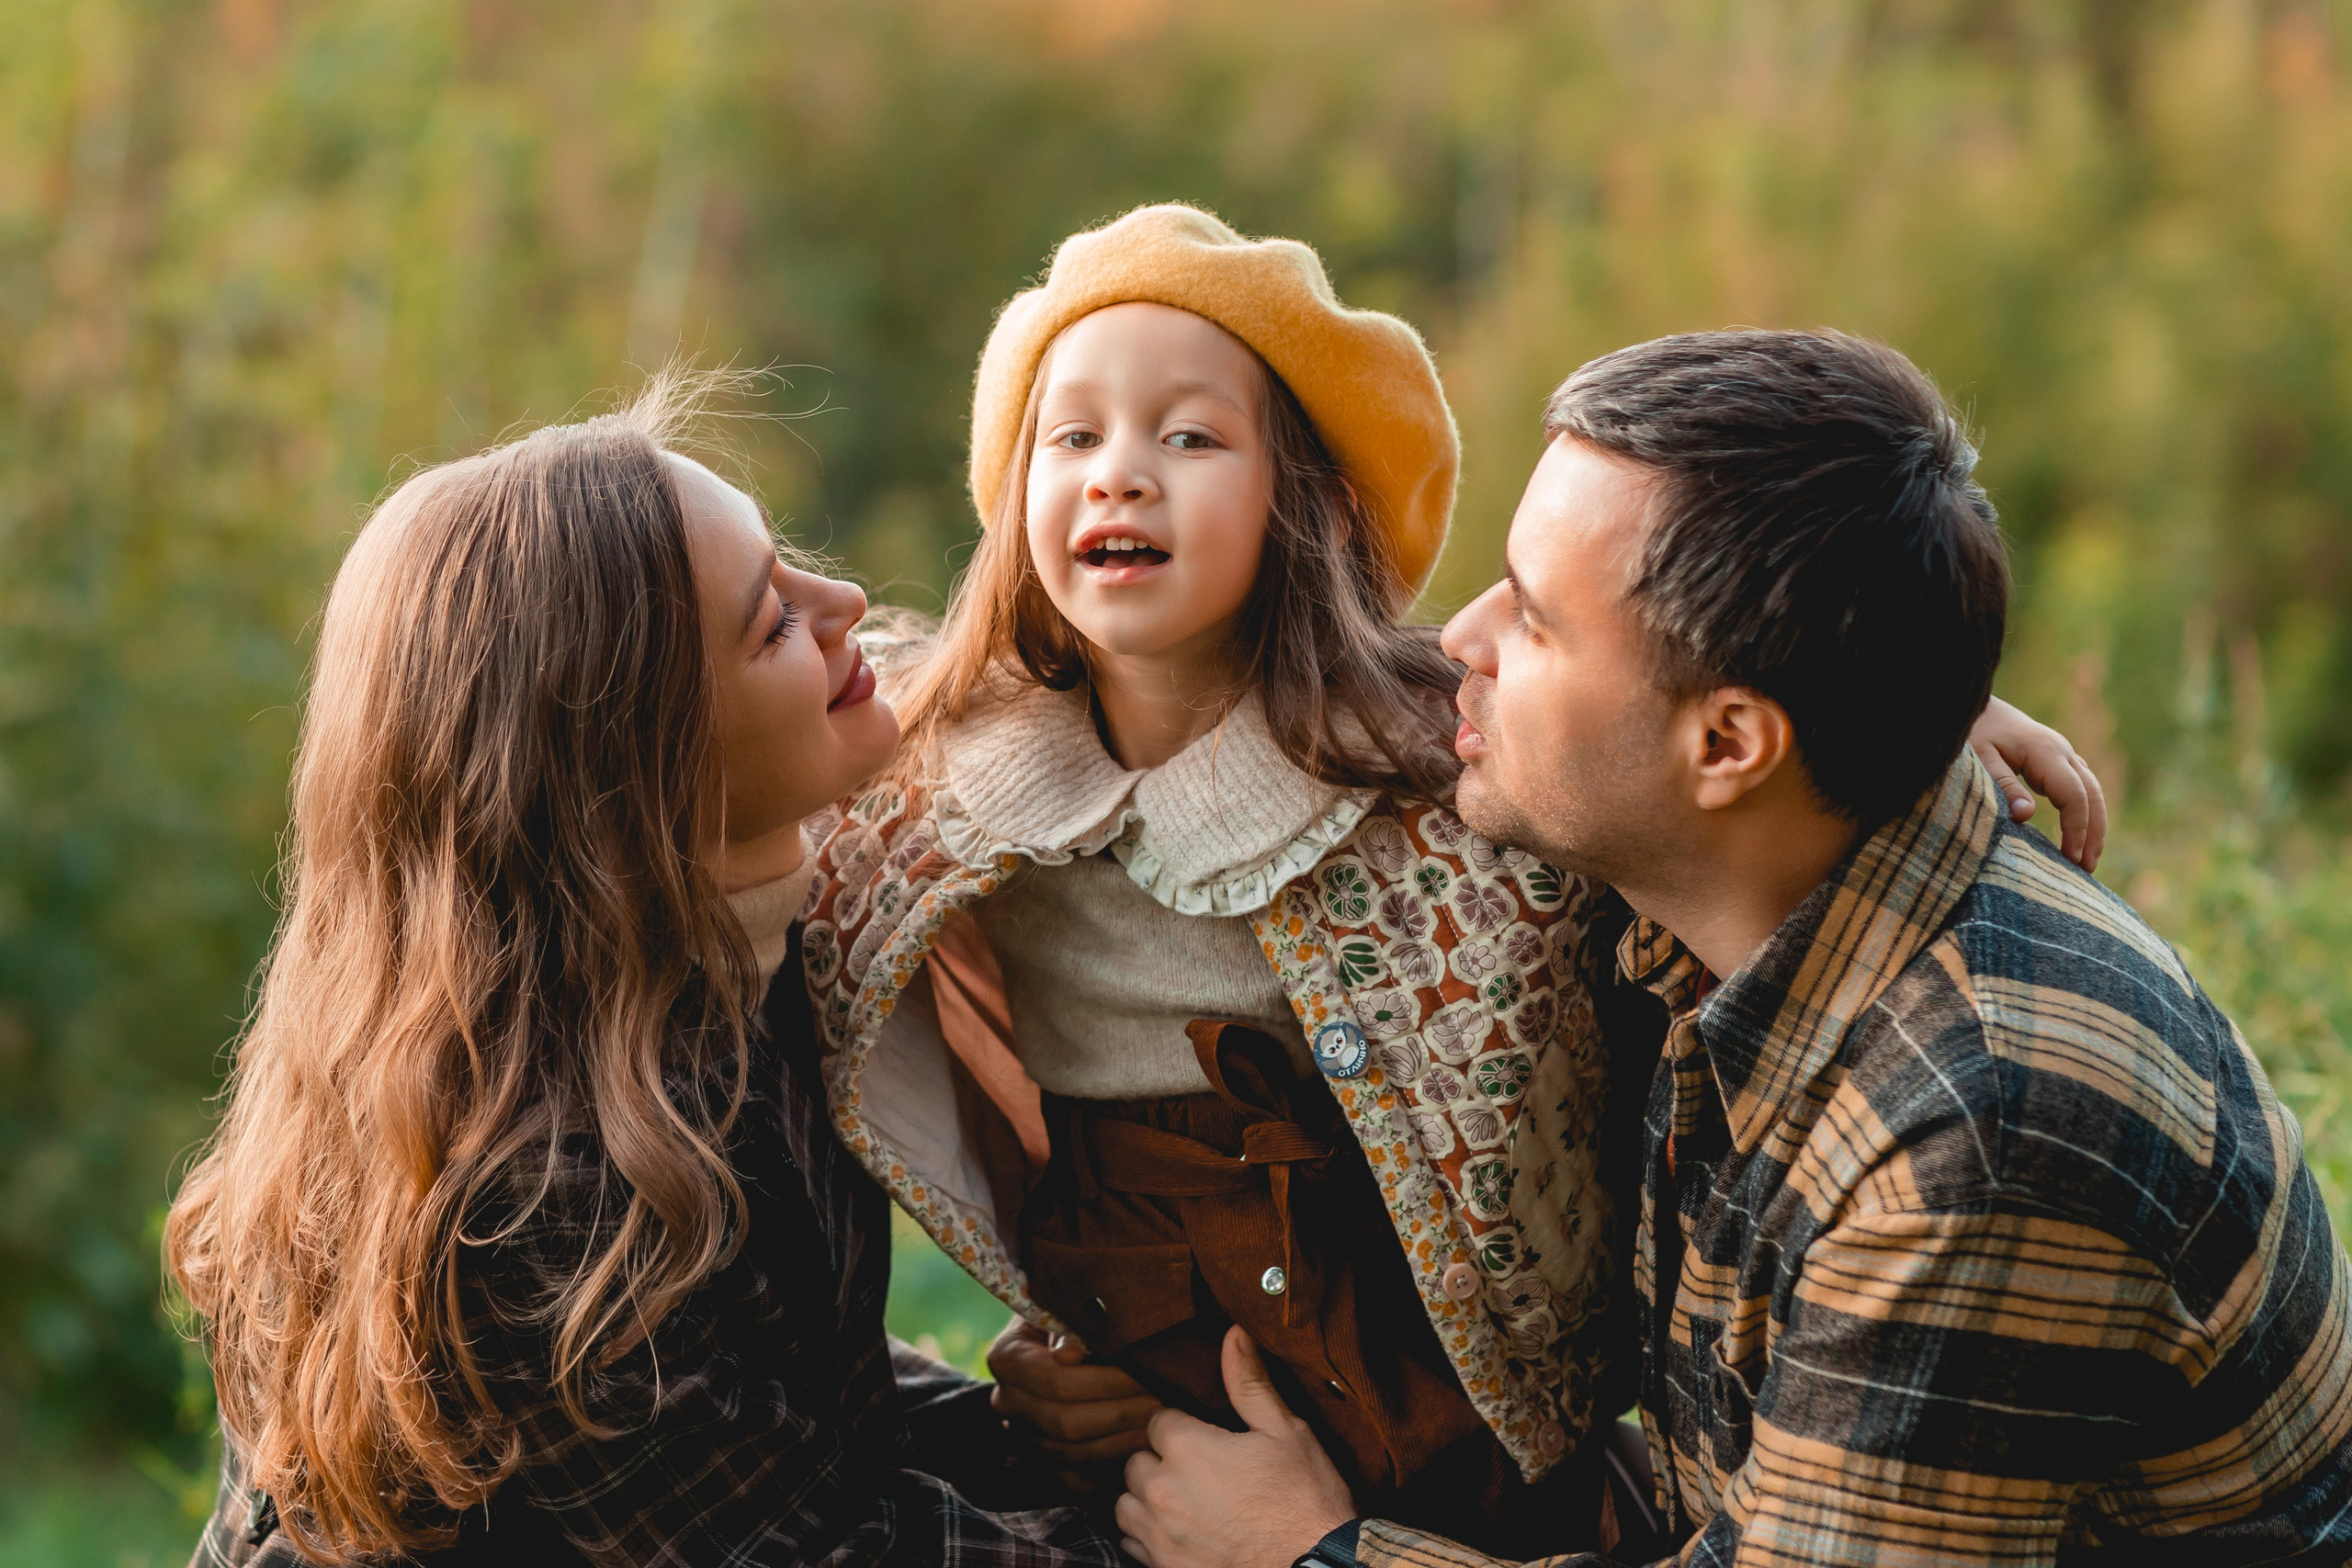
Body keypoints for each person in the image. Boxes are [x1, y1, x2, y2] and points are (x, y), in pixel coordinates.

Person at [801, 208, 2107, 1557]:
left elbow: (1685, 736)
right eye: (1071, 438)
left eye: (1187, 438)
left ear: (1294, 498)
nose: (1121, 475)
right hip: (1150, 1315)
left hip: (1421, 1342)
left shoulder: (1428, 752)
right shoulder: (943, 765)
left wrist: (1914, 711)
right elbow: (792, 724)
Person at [1113, 328, 2352, 1568]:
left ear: (1729, 747)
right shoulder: (1744, 868)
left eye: (1536, 621)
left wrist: (1306, 1554)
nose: (1459, 639)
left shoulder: (1981, 1130)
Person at [167, 378, 1127, 1566]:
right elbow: (816, 1542)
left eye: (796, 569)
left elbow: (796, 1409)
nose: (847, 607)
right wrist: (1268, 1543)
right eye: (771, 622)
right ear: (637, 764)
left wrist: (1046, 1436)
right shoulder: (530, 1204)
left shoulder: (734, 961)